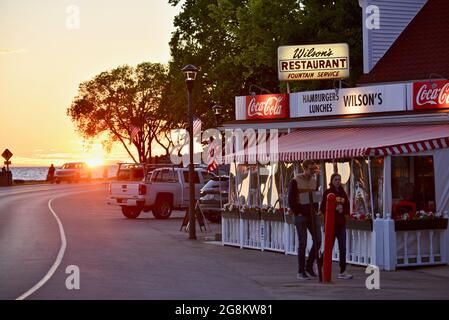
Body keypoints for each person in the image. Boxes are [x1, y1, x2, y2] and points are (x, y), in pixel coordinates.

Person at [288, 160, 322, 280]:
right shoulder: (295, 181)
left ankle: (309, 266)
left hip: (312, 214)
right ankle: (301, 270)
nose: (313, 171)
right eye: (311, 169)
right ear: (305, 168)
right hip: (301, 215)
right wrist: (298, 211)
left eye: (314, 169)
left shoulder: (314, 181)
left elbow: (316, 196)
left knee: (318, 239)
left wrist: (316, 209)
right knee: (303, 242)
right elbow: (291, 200)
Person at [320, 173, 353, 280]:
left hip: (341, 224)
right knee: (328, 247)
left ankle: (343, 271)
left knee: (343, 248)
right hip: (331, 224)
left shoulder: (343, 193)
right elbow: (322, 208)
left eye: (339, 179)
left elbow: (347, 206)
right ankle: (320, 265)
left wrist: (344, 212)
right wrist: (334, 208)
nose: (338, 181)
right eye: (336, 179)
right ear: (332, 180)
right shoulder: (327, 193)